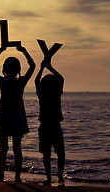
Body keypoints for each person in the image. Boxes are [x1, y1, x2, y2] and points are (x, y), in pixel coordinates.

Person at [0, 45, 35, 182]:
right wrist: (24, 51)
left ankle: (3, 176)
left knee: (5, 148)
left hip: (6, 115)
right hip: (15, 116)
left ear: (5, 69)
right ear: (18, 69)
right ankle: (17, 177)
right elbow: (32, 66)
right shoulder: (20, 82)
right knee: (16, 148)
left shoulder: (4, 81)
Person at [35, 57, 65, 186]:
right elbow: (61, 79)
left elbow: (37, 80)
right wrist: (49, 66)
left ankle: (50, 177)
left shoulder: (42, 93)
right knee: (60, 153)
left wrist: (43, 67)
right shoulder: (55, 93)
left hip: (46, 126)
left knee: (47, 155)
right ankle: (59, 176)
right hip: (54, 126)